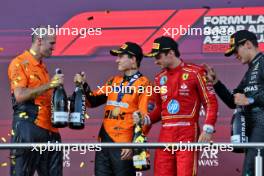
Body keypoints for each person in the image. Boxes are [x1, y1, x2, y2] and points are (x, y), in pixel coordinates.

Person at [137, 36, 218, 176]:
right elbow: (159, 110)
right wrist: (146, 119)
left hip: (187, 132)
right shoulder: (158, 78)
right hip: (165, 133)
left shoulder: (195, 72)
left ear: (170, 53)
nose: (156, 61)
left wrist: (208, 129)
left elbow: (210, 101)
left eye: (158, 56)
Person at [74, 42, 152, 176]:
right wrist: (83, 85)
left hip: (124, 145)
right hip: (104, 143)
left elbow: (144, 118)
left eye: (121, 56)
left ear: (133, 59)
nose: (117, 60)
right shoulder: (113, 81)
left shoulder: (144, 84)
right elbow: (92, 101)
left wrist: (134, 144)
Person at [205, 30, 264, 176]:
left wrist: (250, 99)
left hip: (262, 124)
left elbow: (247, 99)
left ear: (248, 44)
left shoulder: (262, 63)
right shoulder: (250, 71)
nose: (235, 56)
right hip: (255, 128)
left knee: (250, 171)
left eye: (236, 50)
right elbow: (233, 102)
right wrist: (216, 83)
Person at [8, 26, 63, 176]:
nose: (54, 48)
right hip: (28, 128)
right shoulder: (19, 62)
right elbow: (19, 95)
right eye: (51, 44)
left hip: (50, 131)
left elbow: (46, 97)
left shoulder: (42, 67)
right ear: (39, 41)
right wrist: (50, 85)